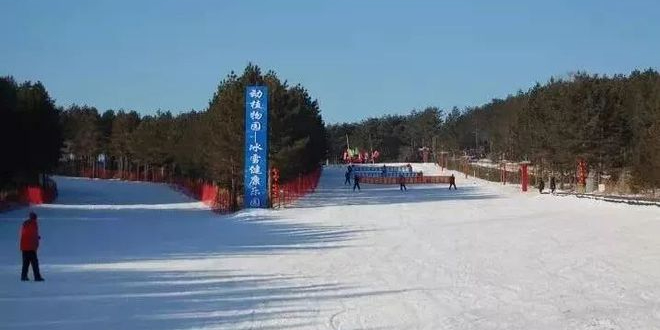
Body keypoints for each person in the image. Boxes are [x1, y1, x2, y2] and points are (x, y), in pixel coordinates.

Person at [20, 212, 43, 281]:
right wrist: (36, 240)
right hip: (31, 248)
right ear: (35, 218)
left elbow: (25, 234)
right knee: (34, 263)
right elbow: (33, 235)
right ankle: (37, 277)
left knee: (25, 263)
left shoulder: (25, 224)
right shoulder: (34, 224)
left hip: (24, 247)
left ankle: (23, 276)